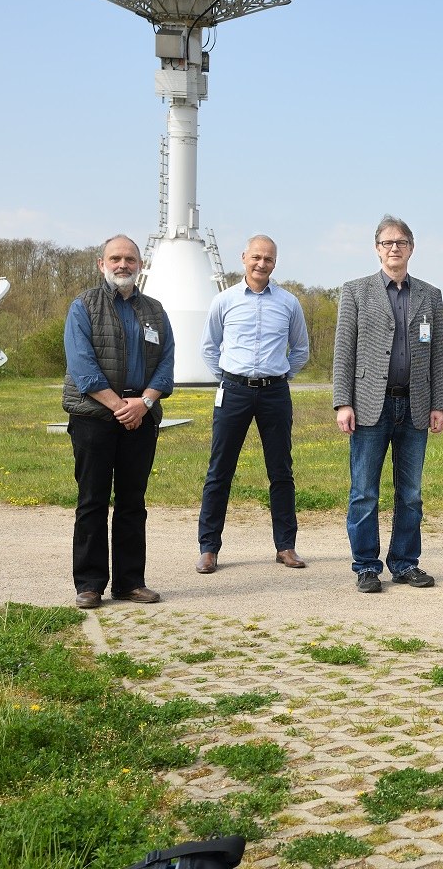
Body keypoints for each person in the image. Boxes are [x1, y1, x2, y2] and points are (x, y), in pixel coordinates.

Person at [332, 215, 443, 594]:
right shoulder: (355, 292)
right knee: (364, 491)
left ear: (411, 248)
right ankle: (366, 566)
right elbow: (343, 352)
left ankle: (404, 563)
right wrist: (342, 403)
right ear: (376, 248)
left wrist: (439, 403)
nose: (393, 248)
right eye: (386, 243)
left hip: (414, 406)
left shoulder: (430, 295)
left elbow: (439, 356)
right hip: (369, 406)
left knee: (410, 494)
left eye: (400, 242)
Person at [62, 235, 174, 609]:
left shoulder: (155, 311)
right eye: (115, 258)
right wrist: (117, 405)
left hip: (140, 418)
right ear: (101, 263)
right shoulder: (84, 306)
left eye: (130, 259)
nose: (122, 264)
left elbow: (167, 363)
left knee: (132, 502)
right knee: (92, 500)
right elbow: (82, 366)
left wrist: (142, 404)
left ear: (139, 265)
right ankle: (90, 584)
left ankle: (129, 582)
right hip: (94, 417)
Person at [196, 235, 310, 574]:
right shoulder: (224, 301)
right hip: (233, 391)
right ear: (244, 257)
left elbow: (301, 349)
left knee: (281, 471)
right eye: (256, 257)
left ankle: (286, 547)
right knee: (220, 470)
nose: (262, 264)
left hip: (275, 393)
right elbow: (209, 348)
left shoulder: (289, 303)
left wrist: (280, 376)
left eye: (269, 259)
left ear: (275, 263)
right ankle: (208, 548)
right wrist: (231, 378)